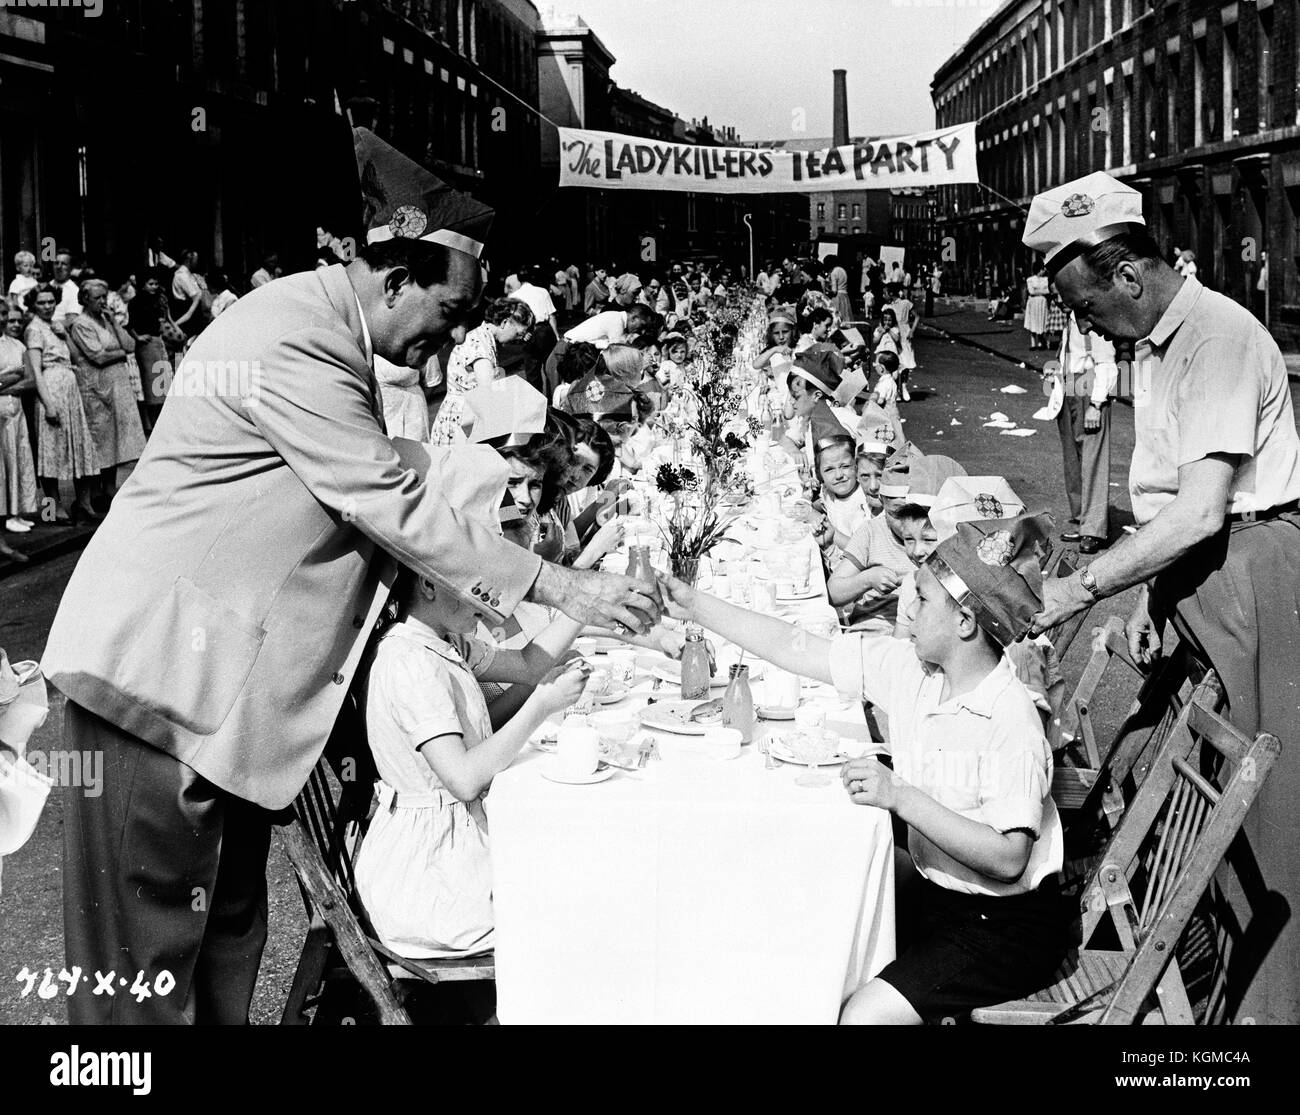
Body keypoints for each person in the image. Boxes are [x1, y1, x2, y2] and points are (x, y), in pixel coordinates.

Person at [41, 154, 663, 1023]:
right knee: (135, 988)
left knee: (224, 946)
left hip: (214, 704)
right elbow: (388, 499)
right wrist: (559, 585)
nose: (446, 346)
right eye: (447, 317)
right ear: (400, 278)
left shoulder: (332, 336)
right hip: (150, 684)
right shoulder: (297, 332)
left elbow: (399, 486)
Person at [1025, 170, 1300, 1025]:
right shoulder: (1158, 342)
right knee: (1170, 776)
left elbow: (1205, 508)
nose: (1084, 326)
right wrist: (1149, 599)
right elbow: (1170, 501)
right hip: (1202, 572)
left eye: (1088, 308)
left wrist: (1085, 584)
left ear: (1130, 276)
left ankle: (1263, 1013)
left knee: (1259, 818)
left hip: (1251, 573)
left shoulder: (1215, 338)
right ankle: (1194, 974)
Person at [660, 510, 1068, 1025]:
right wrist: (694, 604)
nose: (908, 609)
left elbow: (1009, 857)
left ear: (965, 622)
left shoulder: (1009, 717)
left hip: (1002, 927)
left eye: (922, 599)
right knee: (814, 899)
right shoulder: (917, 671)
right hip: (938, 891)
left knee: (862, 1017)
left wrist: (899, 796)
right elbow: (796, 646)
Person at [353, 441, 590, 960]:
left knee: (578, 869)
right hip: (428, 878)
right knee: (568, 904)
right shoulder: (411, 662)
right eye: (475, 585)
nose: (491, 603)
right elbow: (462, 777)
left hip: (455, 842)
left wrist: (585, 601)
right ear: (430, 585)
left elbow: (528, 666)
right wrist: (541, 708)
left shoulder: (445, 640)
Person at [22, 284, 101, 524]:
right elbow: (35, 369)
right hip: (51, 388)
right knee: (52, 450)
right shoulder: (34, 329)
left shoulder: (54, 327)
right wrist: (48, 404)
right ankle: (51, 510)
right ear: (34, 305)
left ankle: (84, 504)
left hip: (70, 389)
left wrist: (65, 335)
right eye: (41, 303)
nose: (47, 306)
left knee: (80, 444)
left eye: (50, 301)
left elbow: (77, 357)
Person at [67, 279, 147, 507]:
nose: (103, 301)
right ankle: (94, 493)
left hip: (117, 385)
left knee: (115, 437)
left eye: (104, 296)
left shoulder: (105, 320)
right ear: (85, 299)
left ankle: (110, 489)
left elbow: (131, 345)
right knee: (100, 439)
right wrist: (120, 354)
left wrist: (114, 323)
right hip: (96, 386)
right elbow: (97, 356)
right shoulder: (81, 324)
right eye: (97, 297)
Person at [1046, 310, 1117, 553]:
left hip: (1090, 388)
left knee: (1092, 461)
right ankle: (1081, 518)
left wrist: (1096, 405)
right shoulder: (1070, 317)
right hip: (1068, 388)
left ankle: (1093, 530)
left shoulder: (1094, 316)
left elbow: (1107, 363)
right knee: (1073, 459)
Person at [430, 297, 534, 446]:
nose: (519, 339)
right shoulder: (482, 348)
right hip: (464, 420)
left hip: (460, 414)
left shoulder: (480, 336)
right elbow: (489, 394)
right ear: (505, 323)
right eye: (518, 333)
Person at [0, 303, 39, 550]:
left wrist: (8, 382)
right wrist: (13, 375)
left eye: (6, 314)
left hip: (16, 410)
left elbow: (30, 379)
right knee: (3, 464)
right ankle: (6, 516)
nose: (5, 319)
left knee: (19, 459)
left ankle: (17, 512)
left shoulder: (18, 345)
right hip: (1, 413)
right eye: (3, 315)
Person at [126, 268, 177, 431]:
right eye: (151, 284)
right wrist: (138, 337)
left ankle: (163, 421)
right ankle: (152, 423)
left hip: (158, 341)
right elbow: (130, 325)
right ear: (143, 285)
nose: (154, 287)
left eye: (156, 284)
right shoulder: (135, 302)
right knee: (151, 384)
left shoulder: (158, 300)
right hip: (146, 346)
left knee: (162, 381)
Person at [508, 265, 558, 341]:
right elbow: (551, 316)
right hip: (544, 330)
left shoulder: (513, 296)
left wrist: (520, 335)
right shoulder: (543, 292)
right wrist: (556, 336)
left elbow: (512, 319)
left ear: (518, 279)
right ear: (531, 277)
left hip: (525, 332)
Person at [170, 249, 209, 340]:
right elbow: (196, 296)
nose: (197, 262)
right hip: (185, 312)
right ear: (188, 259)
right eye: (196, 259)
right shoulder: (182, 275)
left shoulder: (190, 274)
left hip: (191, 313)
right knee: (181, 346)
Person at [1023, 264, 1049, 349]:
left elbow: (1048, 291)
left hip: (1042, 302)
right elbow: (1031, 291)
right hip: (1033, 302)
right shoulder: (1030, 280)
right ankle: (1033, 343)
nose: (1044, 271)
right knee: (1033, 321)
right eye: (1042, 269)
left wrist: (1037, 290)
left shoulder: (1046, 280)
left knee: (1042, 320)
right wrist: (1041, 291)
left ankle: (1041, 343)